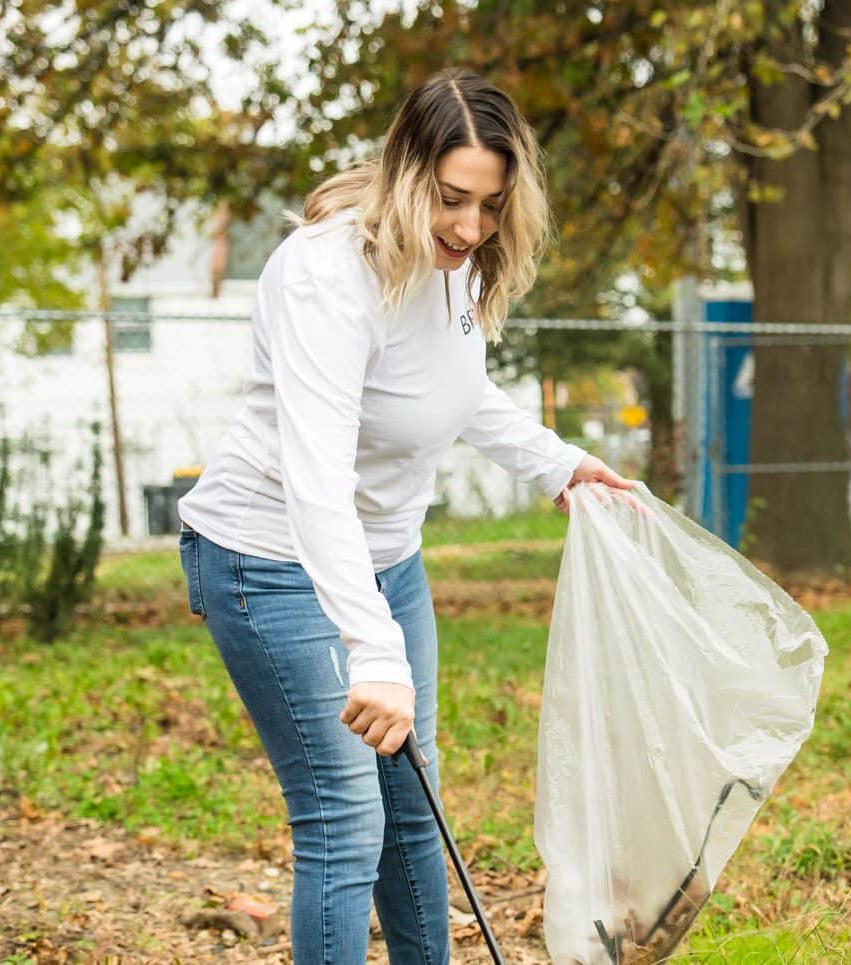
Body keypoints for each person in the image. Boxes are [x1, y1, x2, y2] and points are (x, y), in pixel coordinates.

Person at [175, 70, 632, 963]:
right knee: (345, 823)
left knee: (412, 814)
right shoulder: (326, 276)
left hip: (387, 557)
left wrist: (560, 464)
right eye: (452, 200)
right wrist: (373, 651)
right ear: (405, 172)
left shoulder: (453, 267)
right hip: (269, 558)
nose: (470, 227)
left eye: (492, 205)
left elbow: (457, 394)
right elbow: (314, 477)